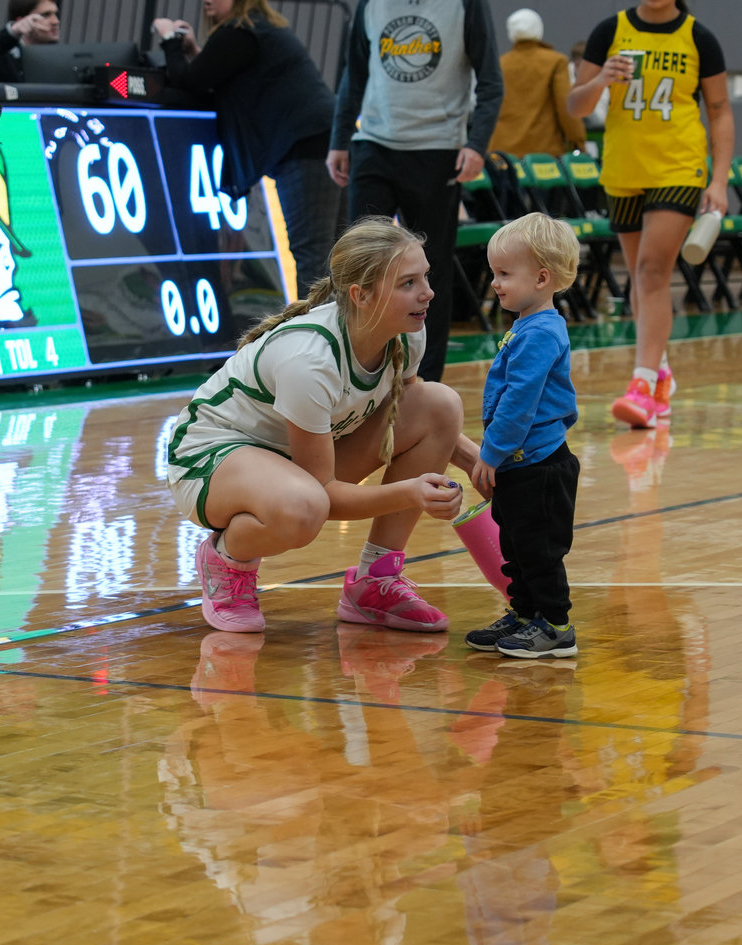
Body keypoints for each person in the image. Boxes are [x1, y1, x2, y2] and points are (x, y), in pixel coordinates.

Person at [167, 217, 483, 635]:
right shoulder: (309, 361)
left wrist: (480, 464)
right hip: (209, 458)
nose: (428, 292)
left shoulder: (407, 331)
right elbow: (326, 495)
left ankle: (377, 580)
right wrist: (411, 492)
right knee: (304, 507)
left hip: (295, 460)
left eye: (425, 276)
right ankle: (226, 559)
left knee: (439, 404)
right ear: (361, 295)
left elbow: (411, 411)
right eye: (408, 283)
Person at [568, 0, 733, 429]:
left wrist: (719, 180)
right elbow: (576, 107)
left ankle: (641, 385)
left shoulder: (698, 37)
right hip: (624, 169)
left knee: (652, 271)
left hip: (678, 167)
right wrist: (601, 79)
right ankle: (660, 376)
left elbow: (720, 111)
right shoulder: (610, 31)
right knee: (641, 280)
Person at [326, 0, 503, 383]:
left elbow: (491, 80)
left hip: (437, 150)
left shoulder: (465, 5)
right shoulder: (371, 5)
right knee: (361, 263)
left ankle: (423, 381)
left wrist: (477, 144)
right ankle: (353, 374)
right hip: (372, 145)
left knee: (431, 269)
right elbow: (354, 74)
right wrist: (340, 138)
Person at [153, 0, 342, 298]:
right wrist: (194, 52)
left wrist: (168, 39)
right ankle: (344, 326)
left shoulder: (239, 32)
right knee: (336, 253)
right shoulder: (260, 29)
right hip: (327, 139)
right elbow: (220, 73)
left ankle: (316, 328)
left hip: (306, 145)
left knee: (314, 255)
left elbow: (189, 83)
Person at [464, 212, 580, 659]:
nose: (495, 283)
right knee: (515, 546)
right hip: (521, 462)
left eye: (504, 274)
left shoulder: (540, 333)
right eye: (494, 273)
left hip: (539, 466)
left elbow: (520, 402)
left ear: (542, 278)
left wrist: (491, 452)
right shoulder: (528, 325)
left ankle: (556, 625)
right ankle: (526, 613)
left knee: (539, 550)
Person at [488, 9, 586, 160]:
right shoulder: (555, 62)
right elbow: (566, 107)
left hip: (501, 153)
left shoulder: (499, 64)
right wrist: (578, 141)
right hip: (543, 153)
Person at [0, 0, 59, 83]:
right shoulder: (3, 58)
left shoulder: (59, 57)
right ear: (20, 21)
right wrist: (13, 32)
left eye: (55, 14)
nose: (56, 21)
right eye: (45, 15)